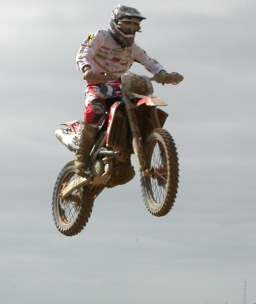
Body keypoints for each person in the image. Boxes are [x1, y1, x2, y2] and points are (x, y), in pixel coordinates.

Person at [72, 5, 183, 176]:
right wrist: (87, 70)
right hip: (99, 84)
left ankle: (144, 152)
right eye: (127, 25)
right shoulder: (101, 36)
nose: (130, 29)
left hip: (120, 85)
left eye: (134, 26)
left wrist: (164, 74)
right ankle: (82, 158)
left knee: (141, 108)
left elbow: (150, 62)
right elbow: (83, 52)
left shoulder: (133, 49)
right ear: (115, 23)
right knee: (95, 109)